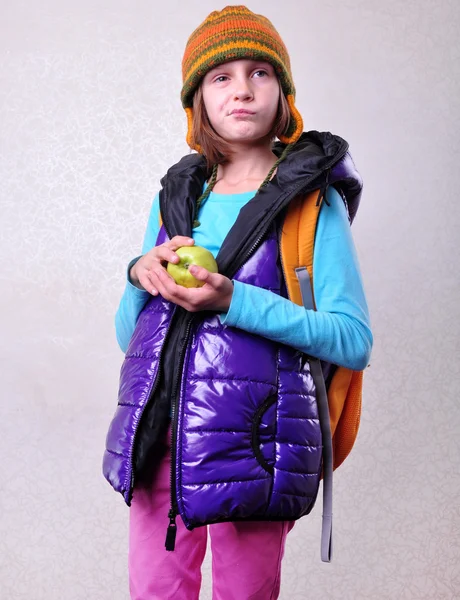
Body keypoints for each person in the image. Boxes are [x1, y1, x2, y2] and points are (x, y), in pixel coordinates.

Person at [103, 5, 373, 599]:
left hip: (257, 444)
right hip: (162, 435)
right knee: (154, 590)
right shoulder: (178, 197)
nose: (243, 90)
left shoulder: (312, 204)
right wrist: (136, 275)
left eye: (260, 73)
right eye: (221, 77)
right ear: (198, 98)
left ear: (284, 92)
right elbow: (133, 340)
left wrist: (231, 299)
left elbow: (353, 338)